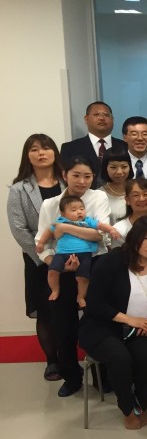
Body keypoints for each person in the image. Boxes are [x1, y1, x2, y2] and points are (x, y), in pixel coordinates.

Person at [78, 218, 147, 430]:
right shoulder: (112, 261)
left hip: (142, 329)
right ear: (135, 238)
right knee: (120, 358)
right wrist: (129, 319)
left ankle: (141, 404)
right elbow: (95, 303)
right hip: (104, 327)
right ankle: (128, 408)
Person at [35, 157, 111, 396]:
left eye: (87, 176)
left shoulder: (98, 197)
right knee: (63, 325)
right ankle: (71, 376)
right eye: (76, 175)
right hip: (62, 267)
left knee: (98, 320)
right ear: (64, 174)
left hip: (93, 264)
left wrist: (65, 228)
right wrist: (57, 265)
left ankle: (102, 376)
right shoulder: (51, 204)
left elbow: (100, 236)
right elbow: (42, 241)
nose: (82, 181)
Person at [7, 133, 64, 380]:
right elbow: (19, 229)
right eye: (34, 149)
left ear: (54, 153)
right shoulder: (20, 189)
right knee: (46, 311)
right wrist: (46, 257)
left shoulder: (68, 181)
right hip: (39, 260)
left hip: (71, 256)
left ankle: (72, 359)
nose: (41, 153)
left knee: (71, 308)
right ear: (27, 156)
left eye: (46, 148)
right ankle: (52, 361)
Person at [36, 194, 117, 307]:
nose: (79, 212)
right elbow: (48, 232)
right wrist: (41, 243)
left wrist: (111, 229)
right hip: (62, 254)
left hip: (85, 254)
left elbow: (100, 225)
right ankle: (54, 290)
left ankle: (81, 296)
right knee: (52, 271)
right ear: (63, 214)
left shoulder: (87, 221)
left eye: (82, 209)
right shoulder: (60, 221)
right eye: (74, 210)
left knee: (83, 277)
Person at [59, 100, 127, 179]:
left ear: (112, 119)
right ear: (86, 119)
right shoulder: (69, 148)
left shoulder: (124, 146)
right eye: (96, 114)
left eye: (106, 115)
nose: (102, 118)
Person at [100, 148, 132, 223]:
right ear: (105, 168)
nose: (119, 172)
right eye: (113, 167)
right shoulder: (99, 194)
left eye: (124, 167)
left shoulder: (137, 189)